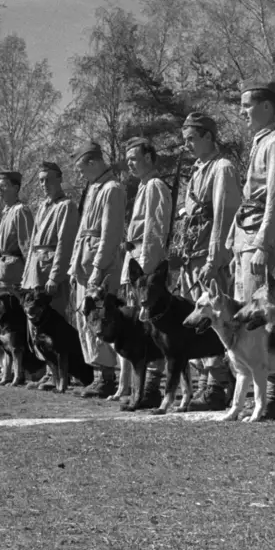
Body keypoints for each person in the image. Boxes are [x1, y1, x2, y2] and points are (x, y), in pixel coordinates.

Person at [232, 79, 275, 419]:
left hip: (261, 239)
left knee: (269, 316)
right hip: (247, 236)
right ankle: (259, 394)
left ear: (267, 107)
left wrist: (263, 243)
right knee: (251, 317)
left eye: (248, 105)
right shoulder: (260, 144)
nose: (242, 112)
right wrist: (235, 243)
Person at [177, 112, 241, 410]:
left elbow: (224, 216)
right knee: (199, 322)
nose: (187, 145)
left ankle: (217, 385)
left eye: (191, 138)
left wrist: (214, 259)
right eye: (185, 139)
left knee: (215, 318)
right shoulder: (198, 170)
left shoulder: (222, 168)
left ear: (207, 137)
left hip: (211, 257)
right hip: (194, 255)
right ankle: (204, 382)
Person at [69, 141, 127, 399]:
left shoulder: (112, 189)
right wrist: (74, 266)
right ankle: (96, 373)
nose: (80, 173)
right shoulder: (93, 188)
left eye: (81, 167)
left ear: (92, 162)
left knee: (101, 319)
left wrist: (98, 267)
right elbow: (82, 232)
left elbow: (110, 233)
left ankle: (107, 376)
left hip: (99, 266)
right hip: (83, 262)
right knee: (85, 320)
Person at [117, 137, 172, 407]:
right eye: (127, 160)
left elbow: (154, 228)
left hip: (145, 266)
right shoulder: (141, 188)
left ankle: (151, 386)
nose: (130, 164)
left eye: (134, 158)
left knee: (153, 327)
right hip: (135, 262)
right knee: (142, 328)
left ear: (149, 158)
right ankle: (141, 387)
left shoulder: (154, 186)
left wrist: (148, 273)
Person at [21, 160, 81, 390]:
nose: (44, 184)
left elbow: (65, 243)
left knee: (55, 325)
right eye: (41, 181)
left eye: (48, 179)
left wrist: (55, 276)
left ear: (59, 179)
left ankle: (64, 373)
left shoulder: (66, 206)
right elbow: (33, 245)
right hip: (37, 269)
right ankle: (49, 371)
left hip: (51, 271)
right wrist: (28, 275)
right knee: (37, 327)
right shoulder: (42, 207)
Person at [0, 171, 33, 295]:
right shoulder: (7, 211)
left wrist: (30, 275)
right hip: (3, 271)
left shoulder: (21, 210)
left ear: (15, 188)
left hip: (15, 274)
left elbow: (27, 246)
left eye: (4, 185)